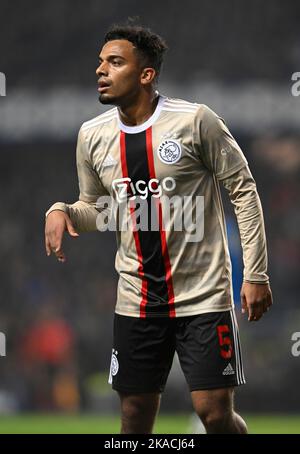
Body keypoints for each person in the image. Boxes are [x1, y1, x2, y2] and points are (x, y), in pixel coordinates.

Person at [45, 24, 273, 434]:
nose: (101, 70)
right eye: (100, 62)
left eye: (115, 62)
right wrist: (62, 210)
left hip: (202, 294)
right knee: (133, 417)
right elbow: (99, 210)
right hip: (136, 299)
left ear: (146, 74)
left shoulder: (195, 121)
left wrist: (256, 273)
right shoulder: (92, 135)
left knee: (215, 413)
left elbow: (244, 190)